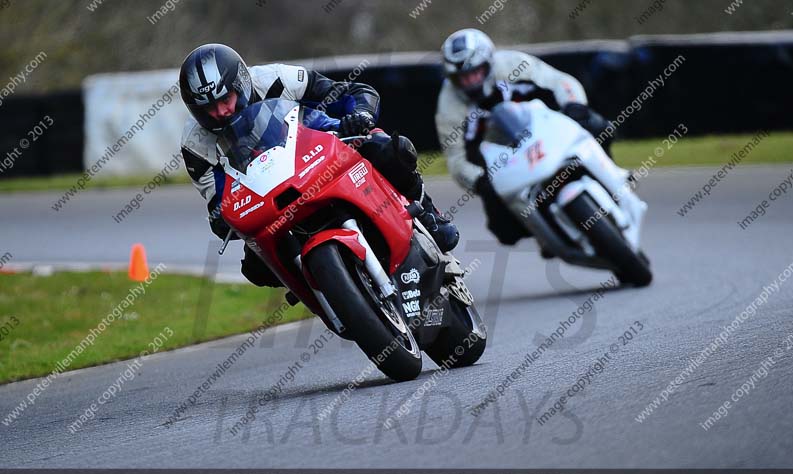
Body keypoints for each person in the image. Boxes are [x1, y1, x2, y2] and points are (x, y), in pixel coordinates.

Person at [179, 43, 458, 287]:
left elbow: (351, 92)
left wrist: (359, 114)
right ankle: (320, 287)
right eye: (208, 108)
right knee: (257, 267)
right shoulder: (195, 144)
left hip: (318, 153)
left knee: (387, 148)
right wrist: (220, 216)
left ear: (241, 83)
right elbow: (219, 198)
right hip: (267, 196)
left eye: (225, 99)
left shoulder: (277, 78)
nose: (220, 112)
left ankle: (429, 214)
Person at [435, 29, 614, 247]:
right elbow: (456, 160)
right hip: (498, 158)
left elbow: (560, 82)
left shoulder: (513, 64)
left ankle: (611, 181)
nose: (471, 81)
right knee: (505, 231)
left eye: (476, 72)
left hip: (545, 128)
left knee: (598, 126)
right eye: (462, 77)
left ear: (488, 62)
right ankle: (546, 235)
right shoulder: (448, 106)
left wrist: (574, 105)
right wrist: (480, 180)